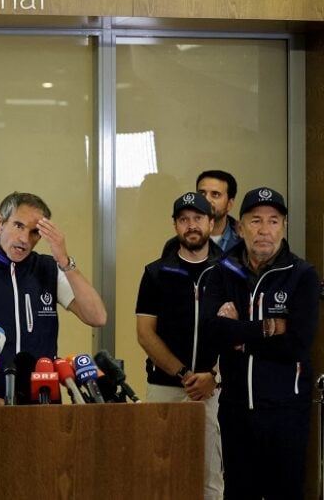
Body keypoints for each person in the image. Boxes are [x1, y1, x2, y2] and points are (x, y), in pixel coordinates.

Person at [201, 187, 320, 500]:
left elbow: (297, 344)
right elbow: (213, 331)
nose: (264, 230)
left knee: (285, 492)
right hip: (235, 408)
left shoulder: (302, 275)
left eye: (273, 221)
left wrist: (239, 336)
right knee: (239, 491)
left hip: (286, 409)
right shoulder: (221, 273)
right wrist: (268, 327)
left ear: (283, 227)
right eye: (255, 221)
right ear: (240, 227)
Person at [0, 191, 107, 398]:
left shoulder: (49, 269)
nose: (24, 239)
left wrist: (64, 261)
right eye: (18, 226)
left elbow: (97, 317)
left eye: (34, 232)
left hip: (43, 402)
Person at [135, 192, 224, 500]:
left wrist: (214, 376)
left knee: (210, 480)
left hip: (214, 390)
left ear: (211, 223)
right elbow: (146, 334)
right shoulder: (156, 273)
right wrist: (185, 374)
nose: (191, 226)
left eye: (198, 218)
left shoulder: (231, 272)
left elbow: (238, 334)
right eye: (184, 220)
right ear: (175, 226)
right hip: (165, 387)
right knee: (161, 473)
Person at [196, 170, 240, 252]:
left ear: (229, 204)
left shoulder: (242, 241)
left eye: (215, 194)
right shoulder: (182, 240)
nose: (206, 199)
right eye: (201, 193)